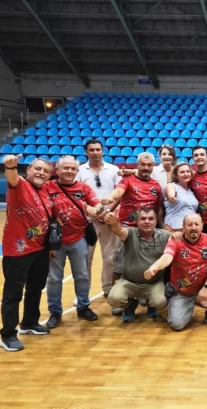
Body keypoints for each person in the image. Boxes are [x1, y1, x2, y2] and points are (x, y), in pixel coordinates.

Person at [0, 156, 55, 352]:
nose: (41, 173)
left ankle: (29, 322)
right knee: (13, 294)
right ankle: (8, 334)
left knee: (35, 288)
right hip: (17, 250)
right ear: (28, 170)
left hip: (40, 249)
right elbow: (12, 178)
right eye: (37, 169)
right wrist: (11, 166)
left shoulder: (45, 190)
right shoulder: (20, 185)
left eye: (45, 171)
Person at [102, 152, 163, 314]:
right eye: (143, 164)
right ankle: (120, 302)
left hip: (148, 232)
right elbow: (118, 192)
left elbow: (158, 209)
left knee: (147, 264)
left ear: (153, 167)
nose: (146, 168)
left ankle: (144, 296)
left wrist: (161, 227)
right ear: (137, 165)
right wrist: (110, 198)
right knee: (119, 265)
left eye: (149, 165)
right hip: (126, 230)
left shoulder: (156, 185)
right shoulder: (127, 180)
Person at [44, 156, 102, 328]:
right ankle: (55, 311)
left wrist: (94, 209)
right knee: (54, 278)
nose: (69, 171)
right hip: (55, 241)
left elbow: (98, 204)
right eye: (66, 168)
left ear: (77, 171)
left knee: (82, 276)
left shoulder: (84, 188)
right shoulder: (48, 187)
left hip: (78, 239)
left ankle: (83, 307)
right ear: (57, 170)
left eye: (73, 168)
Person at [145, 214, 207, 330]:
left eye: (196, 224)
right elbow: (167, 257)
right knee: (176, 325)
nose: (193, 227)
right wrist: (155, 266)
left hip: (203, 284)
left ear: (202, 226)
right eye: (189, 225)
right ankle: (187, 306)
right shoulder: (176, 240)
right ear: (183, 228)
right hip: (182, 291)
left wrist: (206, 287)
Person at [105, 208, 171, 322]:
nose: (147, 221)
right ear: (137, 221)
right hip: (129, 282)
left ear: (156, 220)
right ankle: (130, 305)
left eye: (150, 218)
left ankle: (152, 305)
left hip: (154, 283)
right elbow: (118, 229)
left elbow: (178, 241)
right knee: (113, 299)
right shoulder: (130, 233)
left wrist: (178, 234)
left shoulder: (164, 235)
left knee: (160, 302)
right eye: (143, 219)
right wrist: (113, 222)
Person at [75, 139, 121, 298]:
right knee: (85, 258)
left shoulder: (113, 169)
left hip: (109, 219)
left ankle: (108, 288)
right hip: (88, 221)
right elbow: (77, 196)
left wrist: (108, 212)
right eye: (91, 150)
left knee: (110, 257)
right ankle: (83, 294)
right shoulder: (79, 171)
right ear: (86, 152)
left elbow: (119, 194)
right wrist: (94, 212)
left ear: (103, 151)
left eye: (98, 149)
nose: (95, 152)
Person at [163, 162, 199, 233]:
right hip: (174, 229)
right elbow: (170, 192)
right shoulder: (172, 185)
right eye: (182, 172)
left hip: (190, 229)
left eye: (188, 171)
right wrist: (171, 196)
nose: (186, 174)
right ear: (176, 175)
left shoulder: (191, 191)